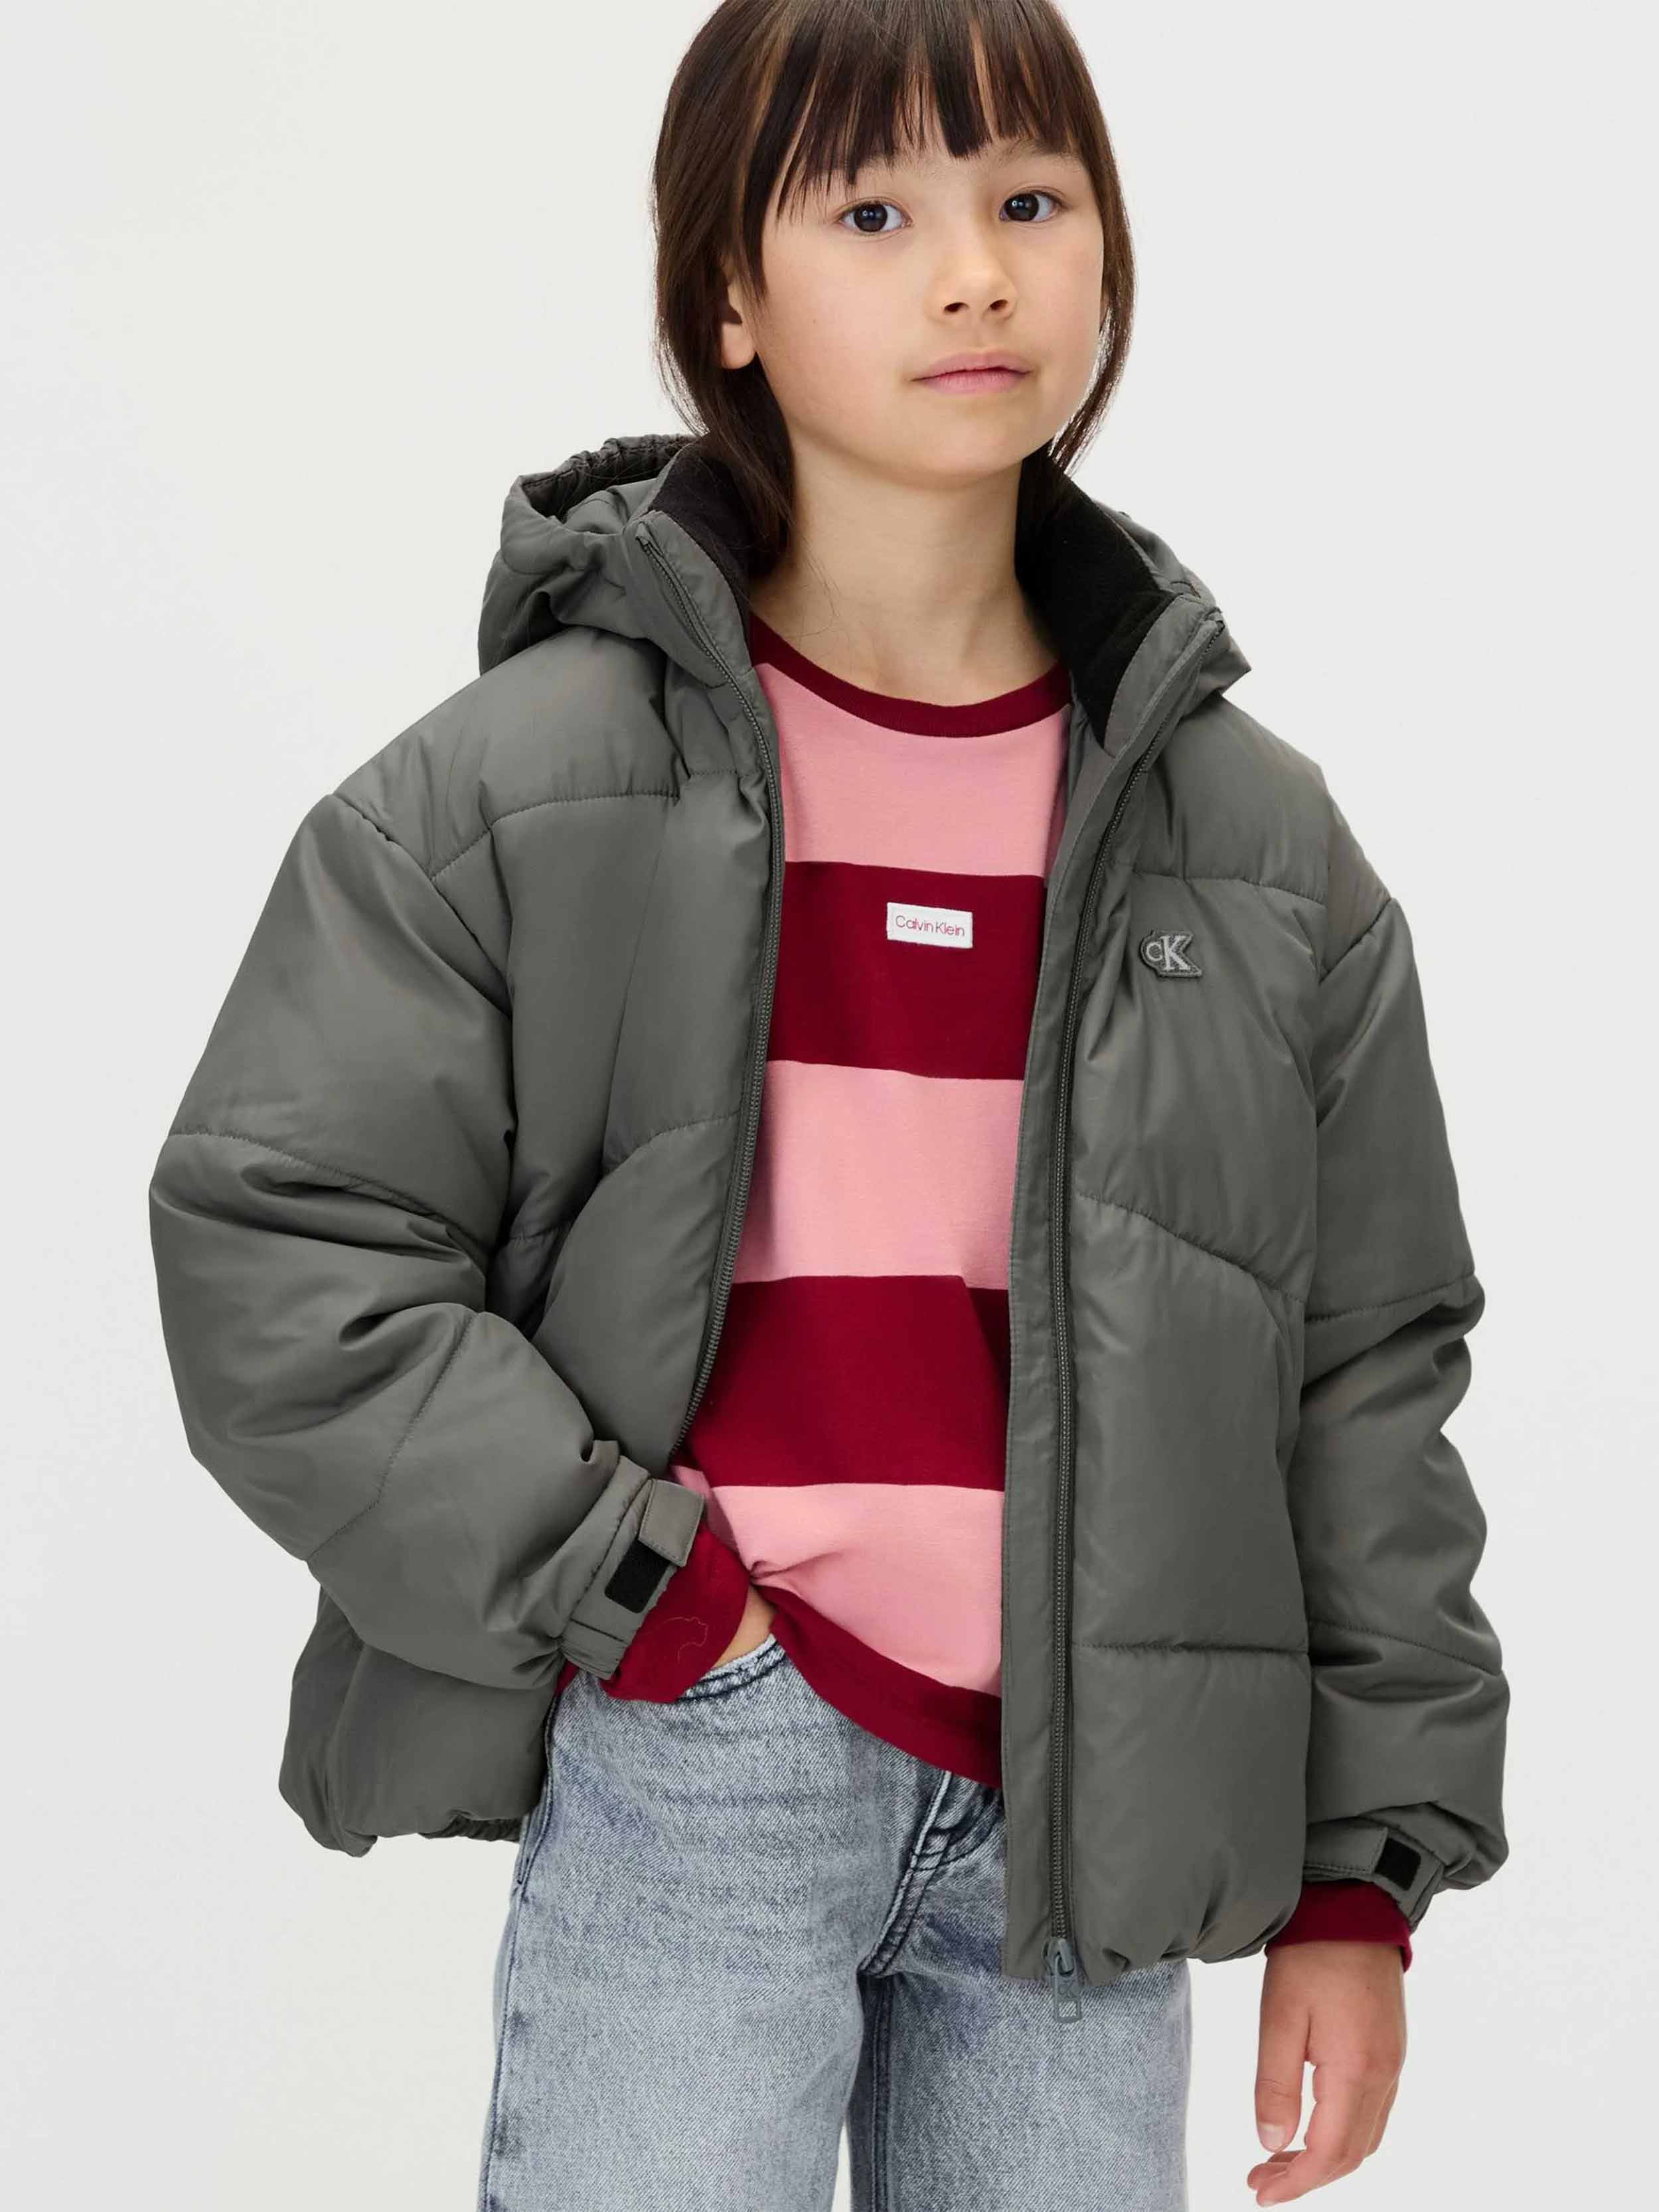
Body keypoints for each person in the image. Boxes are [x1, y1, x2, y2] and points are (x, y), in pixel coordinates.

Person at [146, 3, 1509, 2208]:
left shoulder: (1258, 850)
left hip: (1083, 1811)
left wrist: (1362, 1878)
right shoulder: (522, 789)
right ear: (729, 298)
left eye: (1028, 200)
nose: (972, 272)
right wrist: (648, 1598)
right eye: (873, 214)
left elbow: (1362, 1366)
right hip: (703, 1740)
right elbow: (282, 1244)